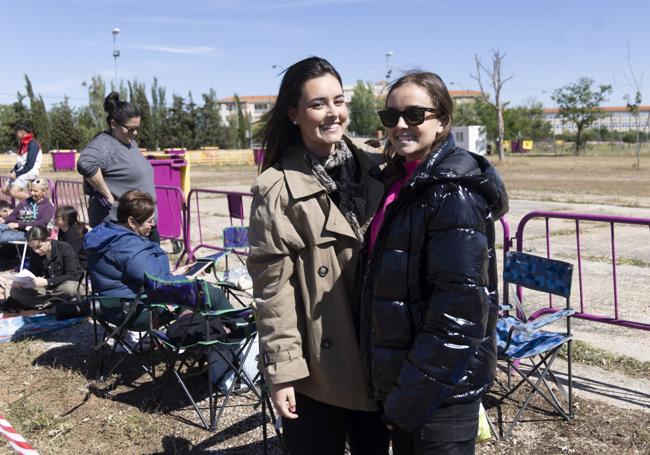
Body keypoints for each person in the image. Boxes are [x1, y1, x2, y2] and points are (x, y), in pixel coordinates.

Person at [360, 71, 509, 455]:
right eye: (390, 116)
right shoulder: (402, 181)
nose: (400, 125)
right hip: (410, 383)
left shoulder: (452, 192)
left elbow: (459, 313)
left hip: (438, 392)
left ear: (442, 120)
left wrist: (409, 397)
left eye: (414, 114)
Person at [246, 56, 388, 455]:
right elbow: (274, 293)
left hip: (381, 354)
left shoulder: (377, 164)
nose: (333, 113)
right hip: (319, 368)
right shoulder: (277, 190)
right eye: (318, 104)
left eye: (339, 101)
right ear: (294, 114)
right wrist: (283, 373)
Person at [83, 190, 228, 311]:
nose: (153, 225)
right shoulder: (129, 247)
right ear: (132, 222)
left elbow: (137, 275)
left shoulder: (108, 235)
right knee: (212, 293)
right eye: (149, 221)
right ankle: (240, 331)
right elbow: (160, 284)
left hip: (115, 305)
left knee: (198, 296)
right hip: (136, 309)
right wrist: (185, 279)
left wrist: (176, 273)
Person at [77, 92, 159, 243]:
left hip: (142, 225)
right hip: (122, 231)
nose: (135, 133)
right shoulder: (104, 144)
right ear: (114, 124)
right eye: (130, 129)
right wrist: (107, 194)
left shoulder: (127, 140)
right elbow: (86, 163)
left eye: (137, 128)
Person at [4, 225, 82, 310]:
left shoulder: (65, 248)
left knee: (69, 289)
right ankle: (51, 303)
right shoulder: (34, 252)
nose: (36, 251)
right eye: (33, 248)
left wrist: (48, 282)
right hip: (46, 290)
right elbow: (33, 273)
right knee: (15, 291)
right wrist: (22, 283)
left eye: (39, 247)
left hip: (62, 287)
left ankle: (44, 303)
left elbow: (73, 275)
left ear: (48, 240)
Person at [4, 122, 43, 201]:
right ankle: (25, 204)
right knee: (4, 190)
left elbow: (29, 165)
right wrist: (14, 170)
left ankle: (38, 200)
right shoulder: (22, 144)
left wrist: (17, 173)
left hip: (30, 171)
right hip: (22, 171)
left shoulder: (33, 144)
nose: (16, 134)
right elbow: (20, 162)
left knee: (13, 192)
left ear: (22, 132)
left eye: (16, 132)